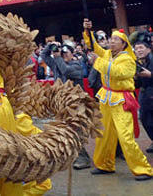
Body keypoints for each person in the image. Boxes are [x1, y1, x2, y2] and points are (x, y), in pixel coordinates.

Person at [83, 19, 153, 181]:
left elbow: (118, 73)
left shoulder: (128, 59)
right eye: (111, 38)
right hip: (106, 98)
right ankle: (104, 164)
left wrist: (97, 62)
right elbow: (94, 47)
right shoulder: (107, 54)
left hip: (122, 100)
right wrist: (88, 31)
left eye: (115, 39)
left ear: (123, 44)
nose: (111, 41)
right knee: (104, 134)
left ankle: (143, 169)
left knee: (125, 136)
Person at [41, 40, 91, 169]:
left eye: (65, 52)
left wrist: (57, 57)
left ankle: (83, 158)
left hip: (76, 105)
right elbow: (44, 56)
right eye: (61, 53)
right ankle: (70, 156)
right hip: (62, 103)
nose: (62, 55)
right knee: (63, 130)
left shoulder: (77, 65)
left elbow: (66, 71)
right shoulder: (58, 63)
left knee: (76, 130)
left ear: (72, 53)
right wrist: (51, 46)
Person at [133, 33, 153, 153]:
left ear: (149, 48)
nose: (138, 50)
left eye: (141, 47)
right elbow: (138, 84)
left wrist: (150, 75)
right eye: (136, 48)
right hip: (144, 95)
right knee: (146, 120)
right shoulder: (140, 63)